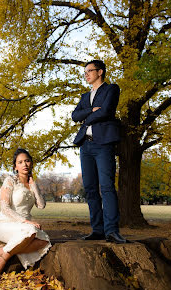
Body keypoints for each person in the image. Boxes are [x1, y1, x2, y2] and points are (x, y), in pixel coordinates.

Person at [71, 59, 126, 244]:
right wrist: (90, 110)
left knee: (107, 187)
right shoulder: (85, 96)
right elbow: (74, 116)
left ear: (100, 72)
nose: (86, 74)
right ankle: (98, 230)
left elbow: (106, 112)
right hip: (85, 145)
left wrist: (86, 116)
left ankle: (111, 231)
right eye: (85, 72)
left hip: (103, 144)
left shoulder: (111, 89)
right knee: (91, 189)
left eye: (89, 71)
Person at [0, 148, 51, 279]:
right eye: (20, 162)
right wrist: (26, 222)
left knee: (45, 241)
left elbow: (41, 205)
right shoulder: (10, 181)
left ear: (31, 163)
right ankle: (1, 261)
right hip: (5, 223)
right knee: (30, 231)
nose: (24, 164)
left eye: (27, 161)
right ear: (15, 166)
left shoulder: (32, 184)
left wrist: (34, 186)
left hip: (25, 227)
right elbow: (5, 208)